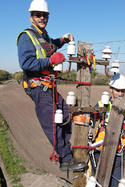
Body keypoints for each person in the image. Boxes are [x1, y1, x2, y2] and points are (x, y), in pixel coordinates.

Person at [16, 0, 87, 172]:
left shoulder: (42, 36)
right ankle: (65, 159)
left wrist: (62, 40)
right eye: (38, 15)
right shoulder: (26, 36)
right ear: (31, 17)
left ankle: (65, 150)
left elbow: (50, 46)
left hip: (49, 86)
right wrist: (50, 61)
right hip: (38, 87)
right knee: (52, 122)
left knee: (64, 115)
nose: (42, 18)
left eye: (44, 15)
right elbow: (25, 62)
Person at [91, 73, 125, 187]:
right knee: (97, 186)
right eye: (118, 90)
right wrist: (94, 116)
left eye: (123, 91)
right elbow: (90, 121)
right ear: (111, 88)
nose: (120, 93)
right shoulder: (102, 104)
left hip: (118, 153)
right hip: (100, 151)